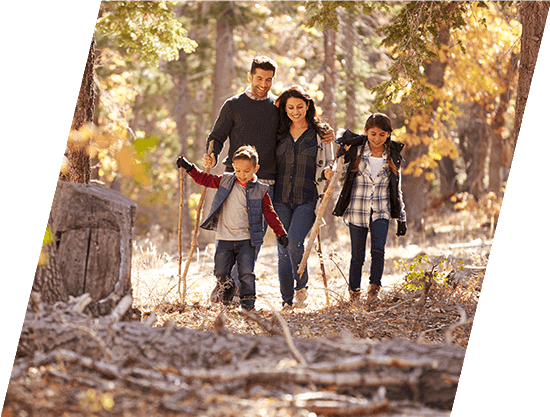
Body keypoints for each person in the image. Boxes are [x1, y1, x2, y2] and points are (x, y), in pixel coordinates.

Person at [201, 56, 334, 299]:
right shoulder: (233, 105)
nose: (264, 83)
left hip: (266, 183)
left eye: (269, 79)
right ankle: (225, 282)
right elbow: (217, 136)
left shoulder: (277, 107)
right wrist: (211, 154)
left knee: (255, 238)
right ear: (250, 76)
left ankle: (232, 289)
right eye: (259, 78)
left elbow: (300, 123)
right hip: (235, 180)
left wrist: (324, 131)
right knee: (231, 234)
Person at [177, 146, 288, 311]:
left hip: (247, 240)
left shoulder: (260, 190)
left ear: (255, 169)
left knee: (246, 273)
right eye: (238, 170)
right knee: (220, 271)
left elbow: (269, 213)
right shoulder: (226, 181)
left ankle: (248, 305)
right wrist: (189, 167)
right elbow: (204, 179)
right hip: (224, 238)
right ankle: (228, 288)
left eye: (246, 171)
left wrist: (280, 232)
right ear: (233, 168)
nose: (242, 174)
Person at [332, 113, 407, 304]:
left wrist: (401, 217)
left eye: (382, 134)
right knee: (357, 255)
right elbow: (341, 175)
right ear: (366, 132)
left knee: (378, 250)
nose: (377, 138)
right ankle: (354, 293)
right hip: (358, 209)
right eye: (373, 134)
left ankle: (374, 289)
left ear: (389, 134)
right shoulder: (356, 151)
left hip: (381, 209)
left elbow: (397, 188)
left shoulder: (392, 155)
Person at [273, 86, 334, 311]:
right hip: (280, 197)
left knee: (295, 243)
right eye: (290, 107)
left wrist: (329, 171)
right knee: (282, 249)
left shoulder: (321, 134)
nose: (295, 111)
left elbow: (330, 161)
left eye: (300, 106)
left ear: (308, 106)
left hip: (307, 198)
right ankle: (286, 301)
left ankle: (301, 286)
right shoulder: (278, 131)